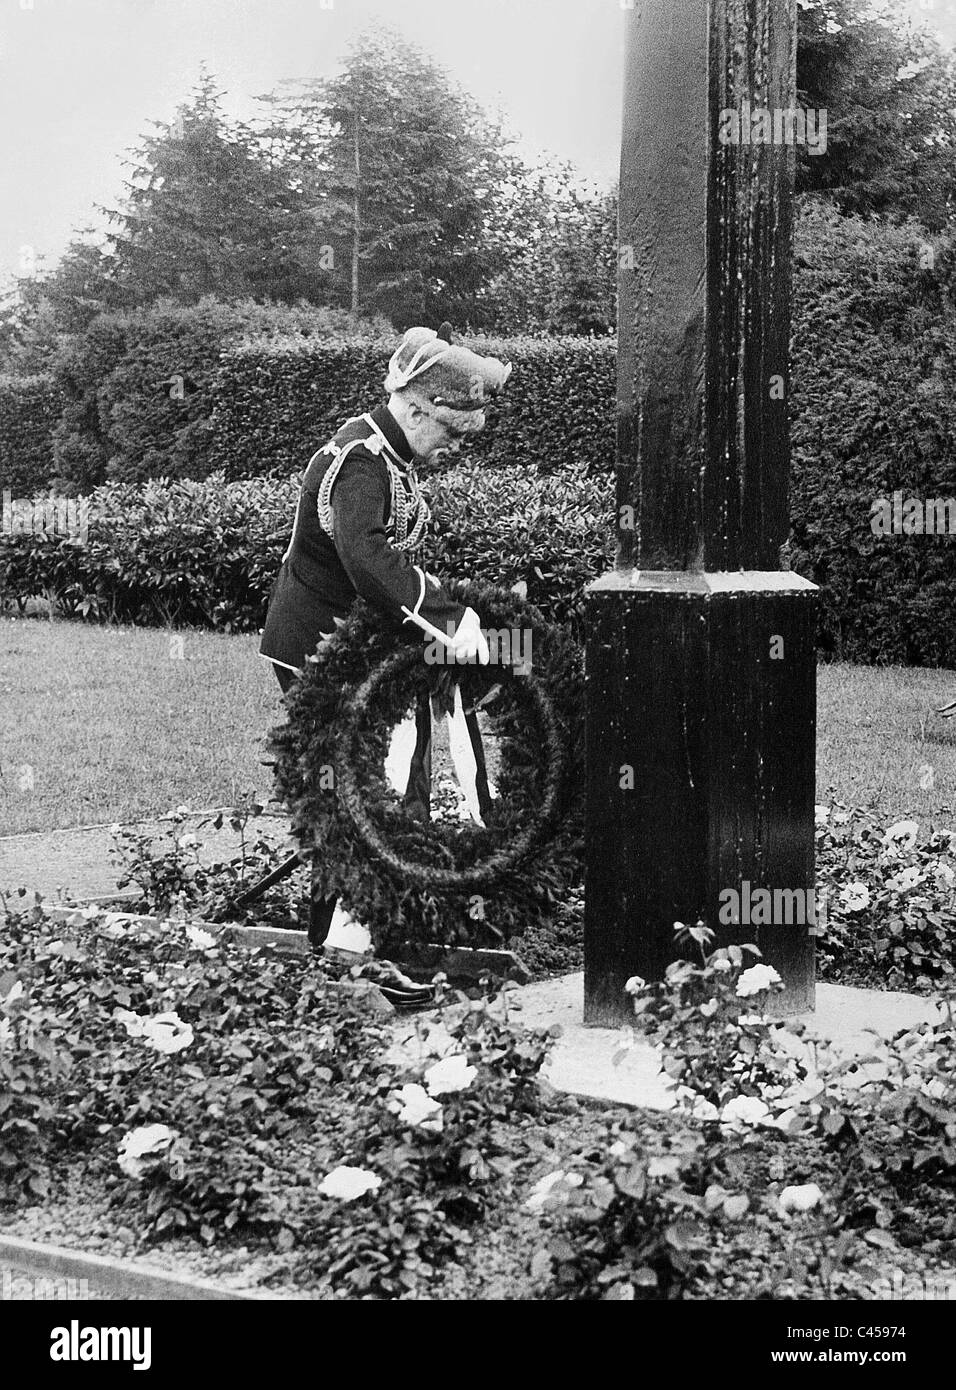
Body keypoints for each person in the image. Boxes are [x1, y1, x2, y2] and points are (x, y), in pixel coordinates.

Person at [260, 323, 511, 970]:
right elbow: (366, 559)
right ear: (416, 405)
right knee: (369, 784)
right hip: (316, 648)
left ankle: (353, 939)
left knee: (366, 784)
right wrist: (446, 617)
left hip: (348, 645)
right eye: (450, 430)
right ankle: (346, 951)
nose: (452, 445)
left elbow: (384, 566)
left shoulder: (387, 456)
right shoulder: (363, 461)